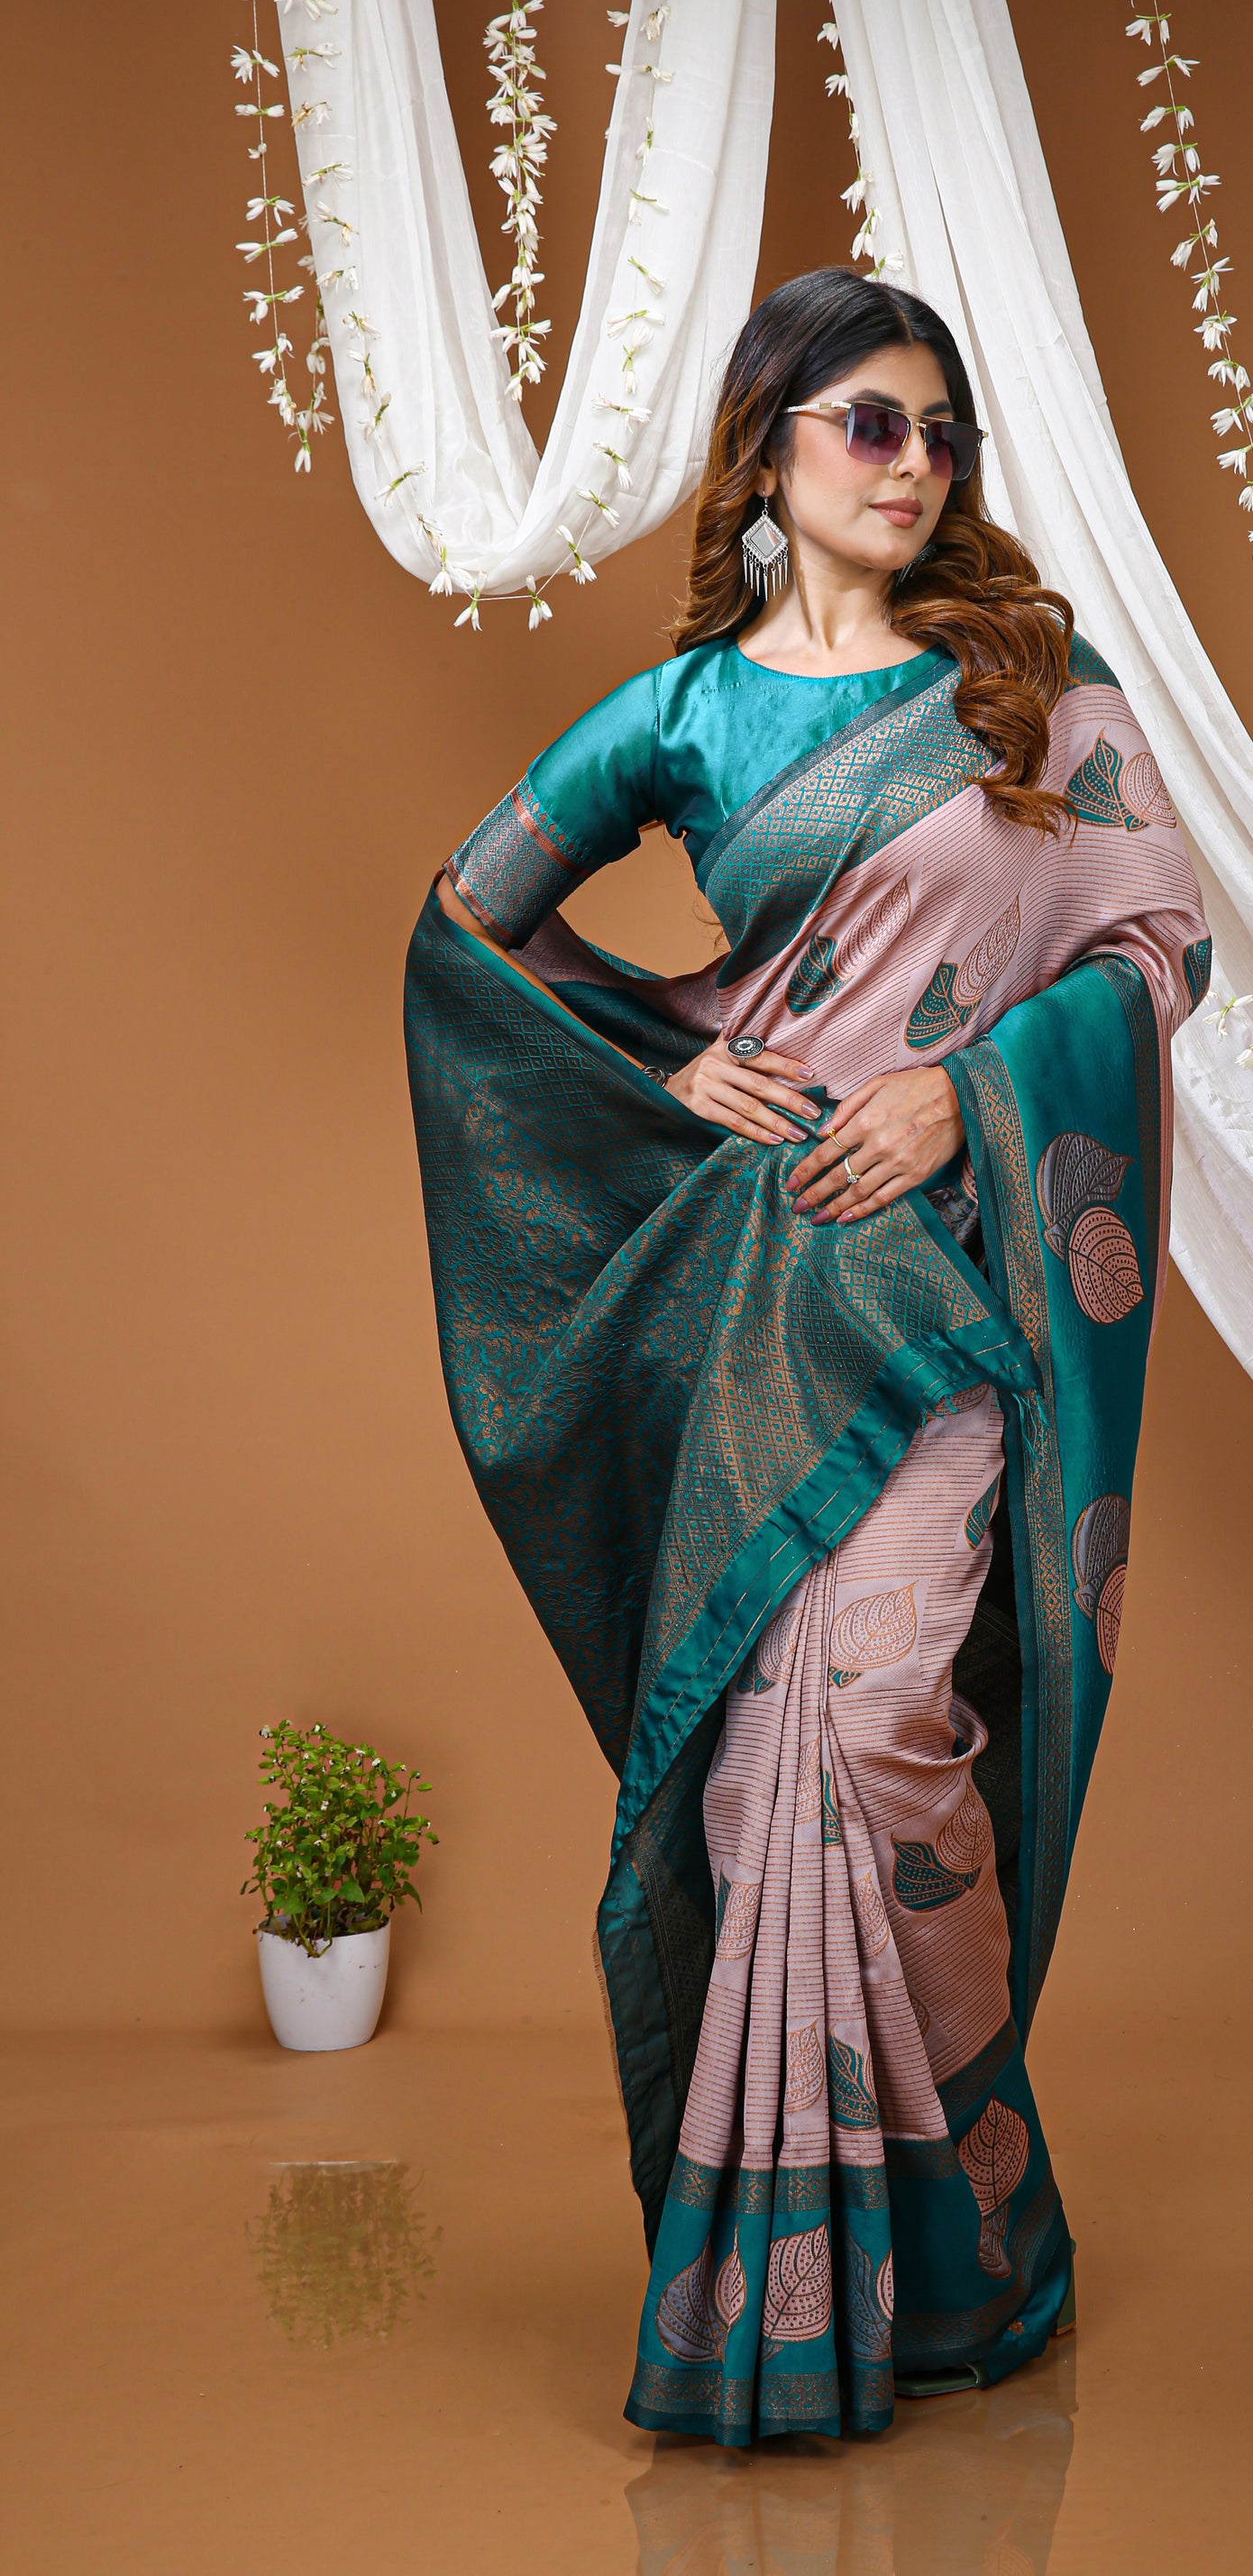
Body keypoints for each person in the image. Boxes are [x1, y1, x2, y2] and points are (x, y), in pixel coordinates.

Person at [406, 267, 1210, 2445]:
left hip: (942, 1279)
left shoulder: (1026, 682)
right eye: (867, 421)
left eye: (938, 430)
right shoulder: (679, 715)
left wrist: (970, 1090)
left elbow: (1160, 944)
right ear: (769, 448)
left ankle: (973, 2235)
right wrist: (670, 1065)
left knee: (873, 1720)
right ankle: (820, 2279)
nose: (910, 462)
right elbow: (471, 920)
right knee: (766, 1767)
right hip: (753, 1290)